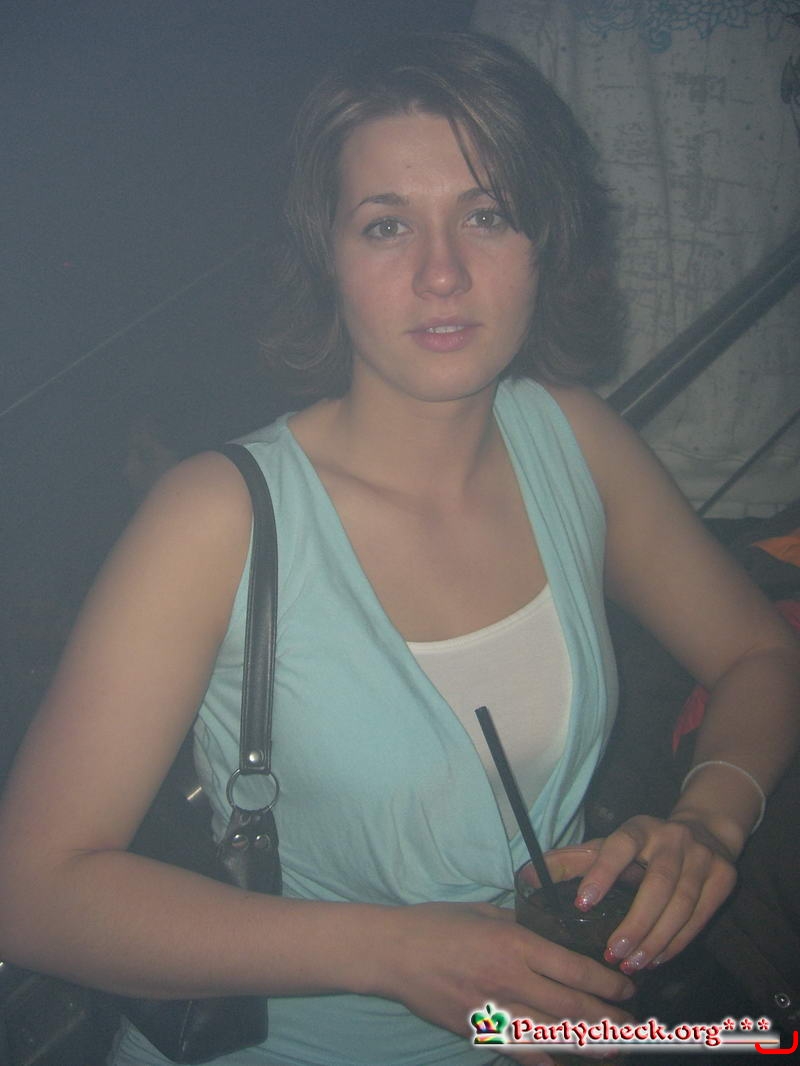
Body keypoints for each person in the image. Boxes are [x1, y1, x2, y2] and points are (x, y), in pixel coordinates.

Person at [0, 31, 798, 1066]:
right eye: (386, 225)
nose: (442, 273)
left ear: (544, 242)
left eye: (486, 215)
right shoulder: (218, 517)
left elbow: (758, 653)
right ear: (325, 259)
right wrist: (389, 951)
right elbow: (31, 892)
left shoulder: (574, 440)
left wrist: (708, 821)